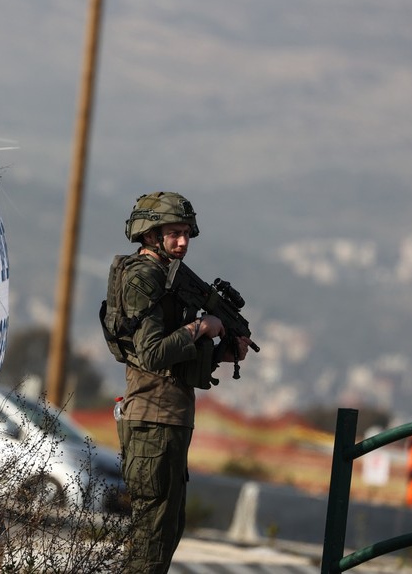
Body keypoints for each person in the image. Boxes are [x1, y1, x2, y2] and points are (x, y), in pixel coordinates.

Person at [111, 191, 251, 573]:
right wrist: (201, 326)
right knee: (150, 544)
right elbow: (153, 353)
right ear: (151, 233)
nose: (183, 241)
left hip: (169, 421)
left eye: (187, 233)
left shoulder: (167, 278)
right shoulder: (142, 277)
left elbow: (176, 365)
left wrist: (223, 354)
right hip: (152, 422)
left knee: (167, 534)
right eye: (174, 233)